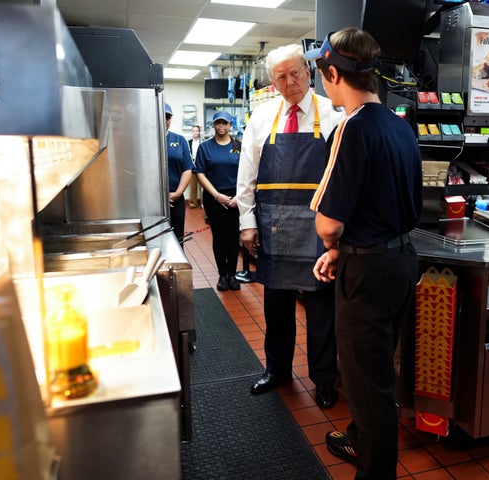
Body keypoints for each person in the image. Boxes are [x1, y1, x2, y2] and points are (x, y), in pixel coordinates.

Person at [306, 28, 422, 479]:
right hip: (398, 261)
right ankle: (357, 436)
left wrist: (334, 245)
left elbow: (329, 222)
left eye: (322, 75)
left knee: (364, 383)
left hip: (368, 272)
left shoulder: (351, 128)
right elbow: (384, 203)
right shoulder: (399, 125)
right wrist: (345, 249)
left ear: (334, 73)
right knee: (377, 368)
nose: (323, 84)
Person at [236, 43, 344, 409]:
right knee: (276, 309)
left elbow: (342, 179)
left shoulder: (333, 114)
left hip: (318, 232)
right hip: (274, 229)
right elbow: (246, 175)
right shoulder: (262, 117)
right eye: (281, 77)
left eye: (295, 73)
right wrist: (246, 223)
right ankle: (277, 369)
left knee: (321, 314)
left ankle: (324, 379)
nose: (290, 81)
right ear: (273, 83)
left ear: (308, 73)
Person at [195, 111, 242, 291]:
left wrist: (240, 196)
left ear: (231, 125)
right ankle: (222, 274)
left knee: (233, 236)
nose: (221, 126)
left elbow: (247, 171)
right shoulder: (205, 147)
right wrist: (216, 195)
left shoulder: (239, 145)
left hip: (235, 197)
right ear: (213, 125)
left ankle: (232, 274)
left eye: (225, 123)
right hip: (214, 197)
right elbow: (200, 173)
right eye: (218, 123)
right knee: (219, 236)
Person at [164, 103, 194, 243]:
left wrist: (177, 193)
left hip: (176, 198)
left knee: (177, 239)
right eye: (161, 116)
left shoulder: (179, 140)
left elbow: (187, 169)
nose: (165, 121)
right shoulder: (144, 139)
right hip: (152, 201)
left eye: (167, 117)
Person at [188, 124, 203, 209]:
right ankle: (193, 203)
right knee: (193, 187)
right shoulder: (189, 142)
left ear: (199, 132)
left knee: (203, 187)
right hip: (192, 168)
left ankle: (203, 203)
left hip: (201, 168)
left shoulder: (203, 142)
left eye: (197, 131)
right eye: (193, 131)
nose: (195, 132)